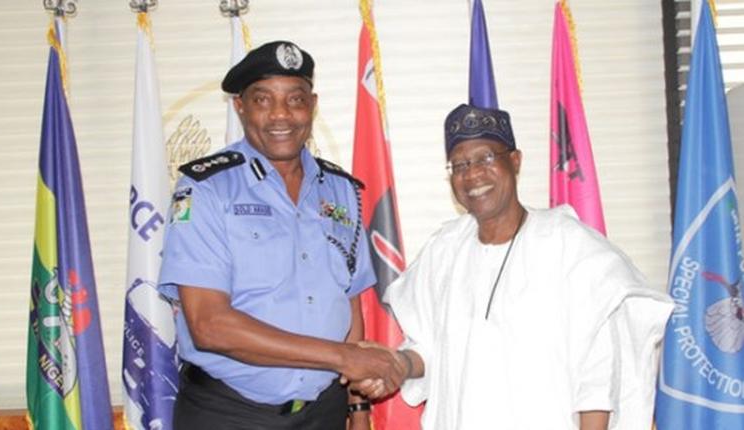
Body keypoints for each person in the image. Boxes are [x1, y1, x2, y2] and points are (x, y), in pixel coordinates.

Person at [353, 104, 674, 430]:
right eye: (460, 164)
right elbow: (430, 349)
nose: (472, 174)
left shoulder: (570, 246)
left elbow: (598, 374)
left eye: (486, 158)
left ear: (515, 160)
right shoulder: (444, 251)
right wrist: (397, 365)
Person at [157, 40, 405, 430]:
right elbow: (209, 325)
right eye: (262, 100)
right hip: (229, 413)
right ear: (240, 106)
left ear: (313, 104)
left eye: (295, 99)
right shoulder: (206, 189)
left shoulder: (342, 190)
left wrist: (357, 409)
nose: (281, 116)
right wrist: (342, 358)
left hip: (323, 412)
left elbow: (349, 305)